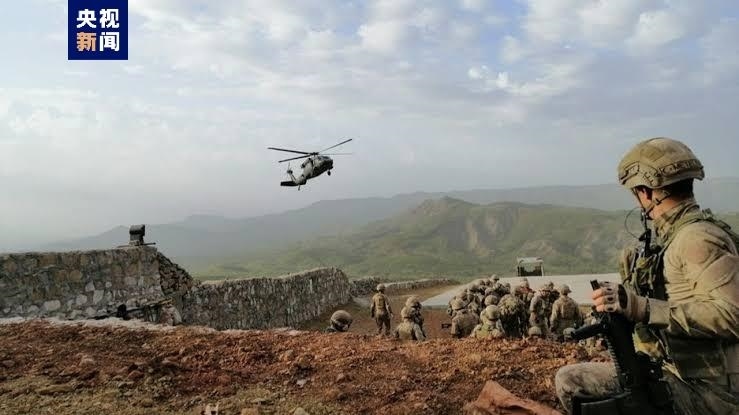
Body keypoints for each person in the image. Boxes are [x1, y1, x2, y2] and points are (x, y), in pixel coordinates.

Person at [554, 137, 739, 414]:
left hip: (712, 393)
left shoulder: (696, 239)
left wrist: (641, 307)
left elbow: (732, 315)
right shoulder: (673, 239)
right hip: (678, 373)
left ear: (646, 192)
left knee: (571, 381)